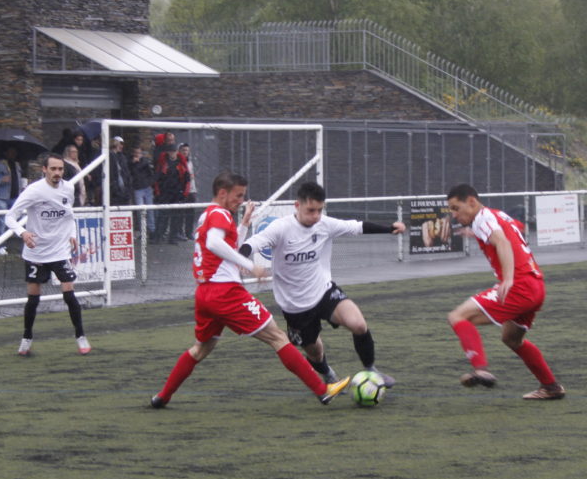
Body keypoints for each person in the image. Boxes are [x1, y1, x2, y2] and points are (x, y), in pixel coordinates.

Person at [150, 172, 351, 408]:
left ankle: (162, 396)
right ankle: (322, 390)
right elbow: (215, 244)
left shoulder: (208, 216)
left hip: (205, 294)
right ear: (222, 193)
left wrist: (244, 224)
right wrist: (250, 266)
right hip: (225, 293)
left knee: (200, 350)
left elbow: (225, 247)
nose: (241, 200)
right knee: (278, 337)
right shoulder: (220, 213)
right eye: (238, 195)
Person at [239, 182, 405, 387]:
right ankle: (328, 374)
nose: (316, 216)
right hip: (295, 305)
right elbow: (251, 244)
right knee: (315, 352)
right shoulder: (281, 228)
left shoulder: (324, 224)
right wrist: (244, 262)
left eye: (319, 210)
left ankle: (371, 370)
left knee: (358, 324)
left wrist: (389, 229)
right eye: (311, 210)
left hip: (323, 291)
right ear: (297, 205)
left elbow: (357, 226)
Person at [445, 184, 565, 400]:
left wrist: (508, 278)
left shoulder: (482, 217)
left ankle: (480, 369)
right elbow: (514, 228)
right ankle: (551, 387)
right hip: (536, 286)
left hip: (519, 287)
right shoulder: (496, 215)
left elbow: (502, 241)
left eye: (456, 208)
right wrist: (472, 233)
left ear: (471, 201)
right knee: (512, 340)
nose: (454, 215)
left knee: (457, 316)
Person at [3, 153, 91, 357]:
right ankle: (26, 339)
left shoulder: (68, 188)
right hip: (37, 251)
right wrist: (23, 232)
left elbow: (69, 215)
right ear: (44, 169)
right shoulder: (34, 191)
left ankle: (81, 337)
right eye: (53, 169)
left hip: (60, 250)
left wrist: (72, 234)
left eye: (60, 169)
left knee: (69, 294)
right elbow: (10, 216)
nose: (57, 173)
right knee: (33, 298)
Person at [154, 141, 190, 243]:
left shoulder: (181, 163)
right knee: (163, 216)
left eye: (174, 151)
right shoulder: (163, 163)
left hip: (176, 193)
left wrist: (184, 193)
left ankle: (172, 237)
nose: (172, 153)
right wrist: (158, 192)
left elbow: (186, 179)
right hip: (165, 192)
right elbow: (158, 177)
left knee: (175, 217)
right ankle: (159, 236)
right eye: (171, 151)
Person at [0, 147, 21, 255]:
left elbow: (19, 179)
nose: (13, 154)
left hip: (15, 197)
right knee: (2, 221)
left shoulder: (16, 165)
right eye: (11, 152)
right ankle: (1, 247)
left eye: (14, 152)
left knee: (17, 219)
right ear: (6, 153)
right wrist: (1, 180)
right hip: (1, 197)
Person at [129, 145, 156, 237]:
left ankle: (152, 230)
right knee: (140, 211)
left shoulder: (145, 162)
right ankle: (143, 230)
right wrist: (133, 163)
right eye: (136, 153)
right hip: (138, 188)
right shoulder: (130, 162)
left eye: (139, 153)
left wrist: (150, 182)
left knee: (150, 209)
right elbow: (131, 172)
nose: (137, 155)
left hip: (146, 187)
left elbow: (150, 173)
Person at [178, 143, 198, 239]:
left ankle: (189, 232)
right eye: (183, 150)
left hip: (192, 189)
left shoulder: (190, 162)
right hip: (182, 190)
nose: (185, 152)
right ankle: (180, 232)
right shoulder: (178, 162)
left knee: (191, 212)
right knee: (181, 212)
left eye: (187, 150)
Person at [107, 136, 133, 205]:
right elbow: (112, 173)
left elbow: (126, 172)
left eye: (122, 144)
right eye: (120, 144)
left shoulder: (122, 157)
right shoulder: (110, 156)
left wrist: (129, 187)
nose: (121, 146)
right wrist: (115, 188)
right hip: (116, 191)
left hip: (124, 190)